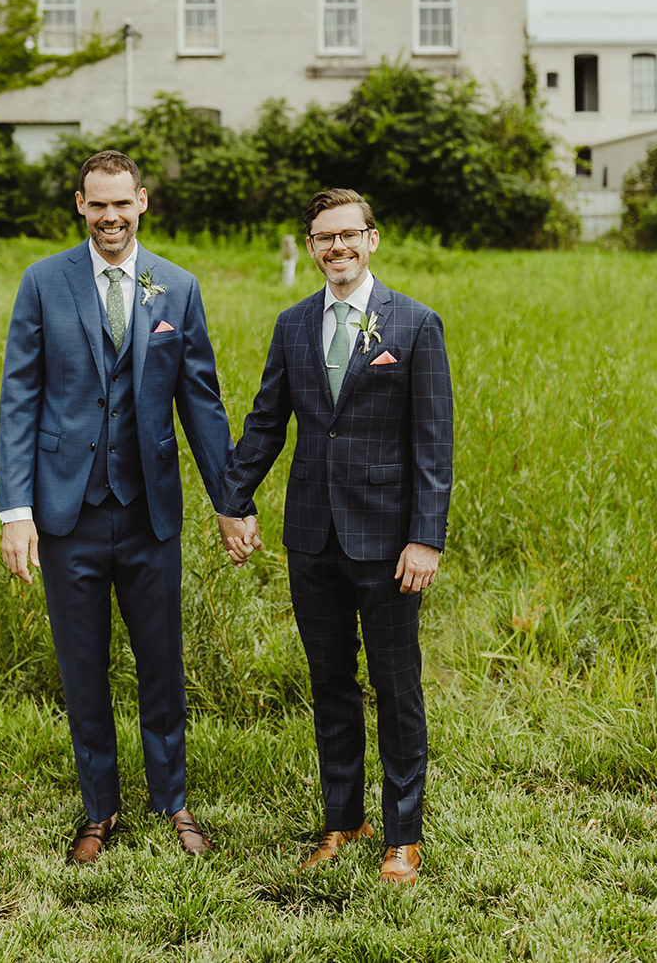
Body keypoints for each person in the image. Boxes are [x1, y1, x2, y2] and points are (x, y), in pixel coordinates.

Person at [0, 149, 245, 863]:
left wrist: (228, 499)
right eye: (97, 204)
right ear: (80, 205)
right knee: (83, 667)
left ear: (143, 202)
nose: (111, 217)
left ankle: (172, 800)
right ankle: (98, 809)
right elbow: (19, 398)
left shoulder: (177, 286)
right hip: (65, 514)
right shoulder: (43, 282)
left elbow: (200, 402)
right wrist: (16, 512)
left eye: (122, 203)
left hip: (148, 514)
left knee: (161, 663)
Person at [218, 188, 452, 883]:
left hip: (387, 544)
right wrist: (233, 500)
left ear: (371, 240)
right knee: (330, 686)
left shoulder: (412, 326)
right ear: (311, 246)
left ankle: (402, 835)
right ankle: (341, 819)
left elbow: (432, 443)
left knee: (395, 685)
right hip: (312, 538)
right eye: (324, 238)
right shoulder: (292, 325)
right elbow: (266, 423)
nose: (336, 248)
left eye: (348, 235)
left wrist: (425, 538)